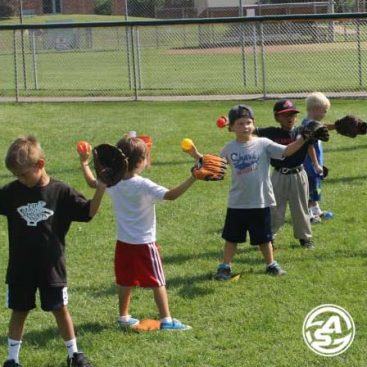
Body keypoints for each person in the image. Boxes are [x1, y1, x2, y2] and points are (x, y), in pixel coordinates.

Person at [0, 135, 106, 367]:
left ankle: (74, 354)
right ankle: (12, 359)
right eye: (16, 175)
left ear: (40, 164)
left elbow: (88, 212)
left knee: (60, 309)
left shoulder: (61, 191)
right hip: (20, 268)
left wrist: (101, 188)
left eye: (23, 174)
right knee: (19, 311)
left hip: (51, 267)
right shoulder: (12, 192)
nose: (20, 179)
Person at [78, 136, 197, 330]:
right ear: (141, 161)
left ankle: (123, 317)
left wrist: (84, 162)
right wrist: (194, 176)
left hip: (123, 242)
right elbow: (171, 195)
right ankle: (166, 320)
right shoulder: (143, 185)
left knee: (124, 280)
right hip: (145, 243)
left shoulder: (112, 182)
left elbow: (93, 183)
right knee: (158, 281)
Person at [186, 104, 309, 280]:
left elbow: (286, 151)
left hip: (260, 200)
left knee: (264, 238)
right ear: (231, 127)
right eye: (240, 123)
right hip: (238, 201)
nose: (245, 127)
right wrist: (195, 154)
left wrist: (302, 139)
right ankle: (225, 266)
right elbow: (215, 165)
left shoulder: (263, 143)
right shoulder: (229, 148)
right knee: (231, 238)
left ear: (253, 124)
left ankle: (271, 264)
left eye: (248, 122)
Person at [255, 99, 316, 249]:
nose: (290, 117)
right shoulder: (271, 133)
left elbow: (317, 133)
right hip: (278, 175)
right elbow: (248, 130)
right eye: (285, 115)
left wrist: (337, 126)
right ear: (277, 117)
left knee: (300, 207)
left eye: (292, 114)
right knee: (274, 208)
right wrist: (231, 123)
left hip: (299, 174)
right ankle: (268, 236)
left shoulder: (303, 132)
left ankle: (305, 238)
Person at [302, 92, 334, 224]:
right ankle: (309, 215)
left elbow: (323, 126)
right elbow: (309, 147)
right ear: (315, 110)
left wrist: (336, 125)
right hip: (309, 165)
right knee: (310, 189)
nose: (324, 114)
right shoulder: (308, 126)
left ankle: (317, 211)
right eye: (324, 111)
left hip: (315, 164)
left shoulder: (313, 123)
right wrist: (316, 164)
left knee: (316, 187)